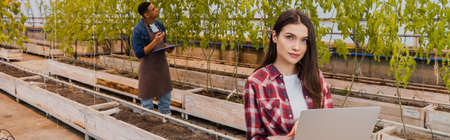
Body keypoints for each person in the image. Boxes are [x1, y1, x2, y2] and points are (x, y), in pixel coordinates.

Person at [244, 9, 334, 140]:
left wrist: (308, 126)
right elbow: (254, 137)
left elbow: (331, 122)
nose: (297, 47)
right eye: (289, 37)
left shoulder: (315, 76)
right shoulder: (257, 82)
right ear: (275, 36)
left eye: (303, 40)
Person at [132, 2, 174, 115]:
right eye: (153, 9)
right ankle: (149, 127)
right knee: (147, 103)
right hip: (148, 69)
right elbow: (139, 53)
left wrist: (168, 48)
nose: (157, 10)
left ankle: (166, 122)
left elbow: (162, 43)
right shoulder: (138, 30)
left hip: (162, 66)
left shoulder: (159, 24)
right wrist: (154, 41)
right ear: (146, 14)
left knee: (165, 99)